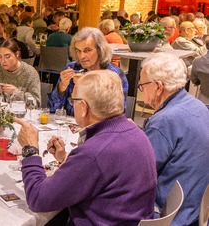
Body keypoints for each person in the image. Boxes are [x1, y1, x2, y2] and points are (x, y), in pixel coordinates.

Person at [15, 70, 157, 225]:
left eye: (72, 101)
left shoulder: (95, 152)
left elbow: (38, 199)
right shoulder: (136, 131)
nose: (72, 105)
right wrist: (66, 160)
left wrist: (31, 150)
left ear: (83, 107)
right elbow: (102, 174)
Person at [140, 53, 209, 226]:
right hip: (196, 210)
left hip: (170, 216)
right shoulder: (198, 106)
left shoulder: (164, 121)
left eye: (142, 85)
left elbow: (138, 174)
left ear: (157, 86)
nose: (141, 90)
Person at [48, 27, 128, 115]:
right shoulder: (72, 68)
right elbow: (52, 108)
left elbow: (117, 114)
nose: (82, 56)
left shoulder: (114, 75)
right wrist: (62, 87)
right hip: (70, 125)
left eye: (87, 50)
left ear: (100, 50)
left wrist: (90, 89)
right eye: (78, 51)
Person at [0, 38, 41, 104]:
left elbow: (37, 103)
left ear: (17, 54)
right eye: (0, 57)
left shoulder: (30, 73)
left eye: (7, 57)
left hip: (23, 112)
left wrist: (17, 92)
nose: (3, 61)